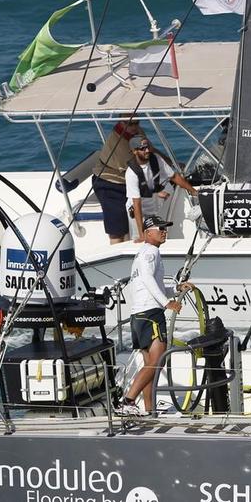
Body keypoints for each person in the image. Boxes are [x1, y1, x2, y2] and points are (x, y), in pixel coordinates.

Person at [117, 215, 193, 416]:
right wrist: (168, 303)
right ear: (148, 233)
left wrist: (175, 289)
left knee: (150, 364)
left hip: (139, 316)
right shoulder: (151, 252)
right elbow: (147, 280)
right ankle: (127, 401)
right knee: (157, 362)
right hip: (150, 314)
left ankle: (149, 410)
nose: (164, 232)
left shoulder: (143, 254)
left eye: (165, 228)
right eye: (160, 229)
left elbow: (151, 285)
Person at [125, 136, 198, 241]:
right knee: (142, 240)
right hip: (137, 211)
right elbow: (136, 204)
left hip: (152, 206)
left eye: (148, 147)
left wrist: (194, 191)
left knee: (157, 237)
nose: (147, 150)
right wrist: (141, 234)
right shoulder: (131, 174)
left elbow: (174, 176)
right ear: (134, 151)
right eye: (143, 148)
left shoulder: (156, 159)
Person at [91, 117, 152, 245]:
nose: (134, 126)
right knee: (117, 230)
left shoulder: (138, 132)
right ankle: (118, 249)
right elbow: (138, 167)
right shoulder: (119, 143)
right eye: (129, 123)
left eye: (136, 122)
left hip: (127, 181)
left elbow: (150, 151)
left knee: (129, 223)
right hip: (109, 182)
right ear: (121, 122)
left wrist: (166, 161)